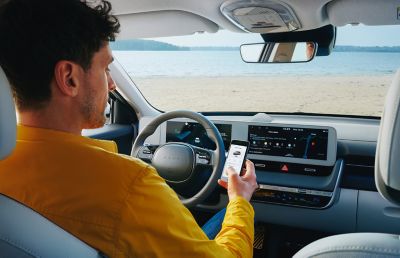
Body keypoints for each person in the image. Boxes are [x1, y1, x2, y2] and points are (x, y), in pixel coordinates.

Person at [0, 0, 258, 257]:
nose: (111, 84)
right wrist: (240, 201)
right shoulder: (129, 187)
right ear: (69, 78)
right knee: (227, 215)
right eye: (105, 68)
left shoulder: (5, 165)